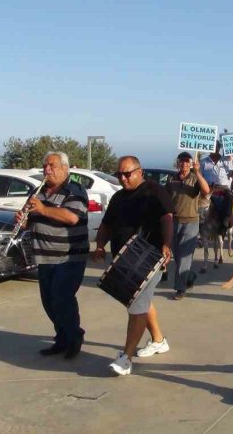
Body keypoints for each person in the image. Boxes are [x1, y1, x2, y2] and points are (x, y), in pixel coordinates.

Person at [92, 156, 175, 376]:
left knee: (136, 305)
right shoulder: (118, 197)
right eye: (120, 174)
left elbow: (167, 218)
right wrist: (100, 246)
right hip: (123, 261)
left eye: (128, 174)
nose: (123, 178)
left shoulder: (154, 191)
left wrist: (167, 244)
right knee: (141, 301)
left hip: (149, 259)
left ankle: (126, 358)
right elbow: (107, 224)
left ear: (139, 172)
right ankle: (159, 340)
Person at [17, 152, 90, 359]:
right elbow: (28, 220)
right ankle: (62, 338)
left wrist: (42, 208)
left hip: (68, 257)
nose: (47, 170)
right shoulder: (37, 191)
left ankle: (74, 335)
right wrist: (23, 220)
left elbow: (72, 217)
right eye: (45, 166)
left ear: (65, 169)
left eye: (52, 166)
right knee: (48, 301)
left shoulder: (75, 190)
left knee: (62, 298)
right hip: (44, 257)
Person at [165, 151, 210, 299]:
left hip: (191, 222)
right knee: (178, 256)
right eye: (181, 161)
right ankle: (190, 275)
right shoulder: (171, 179)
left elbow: (206, 190)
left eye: (187, 161)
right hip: (174, 221)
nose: (184, 163)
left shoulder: (194, 179)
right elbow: (165, 198)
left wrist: (197, 172)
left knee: (184, 257)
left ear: (190, 163)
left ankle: (180, 288)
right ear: (178, 163)